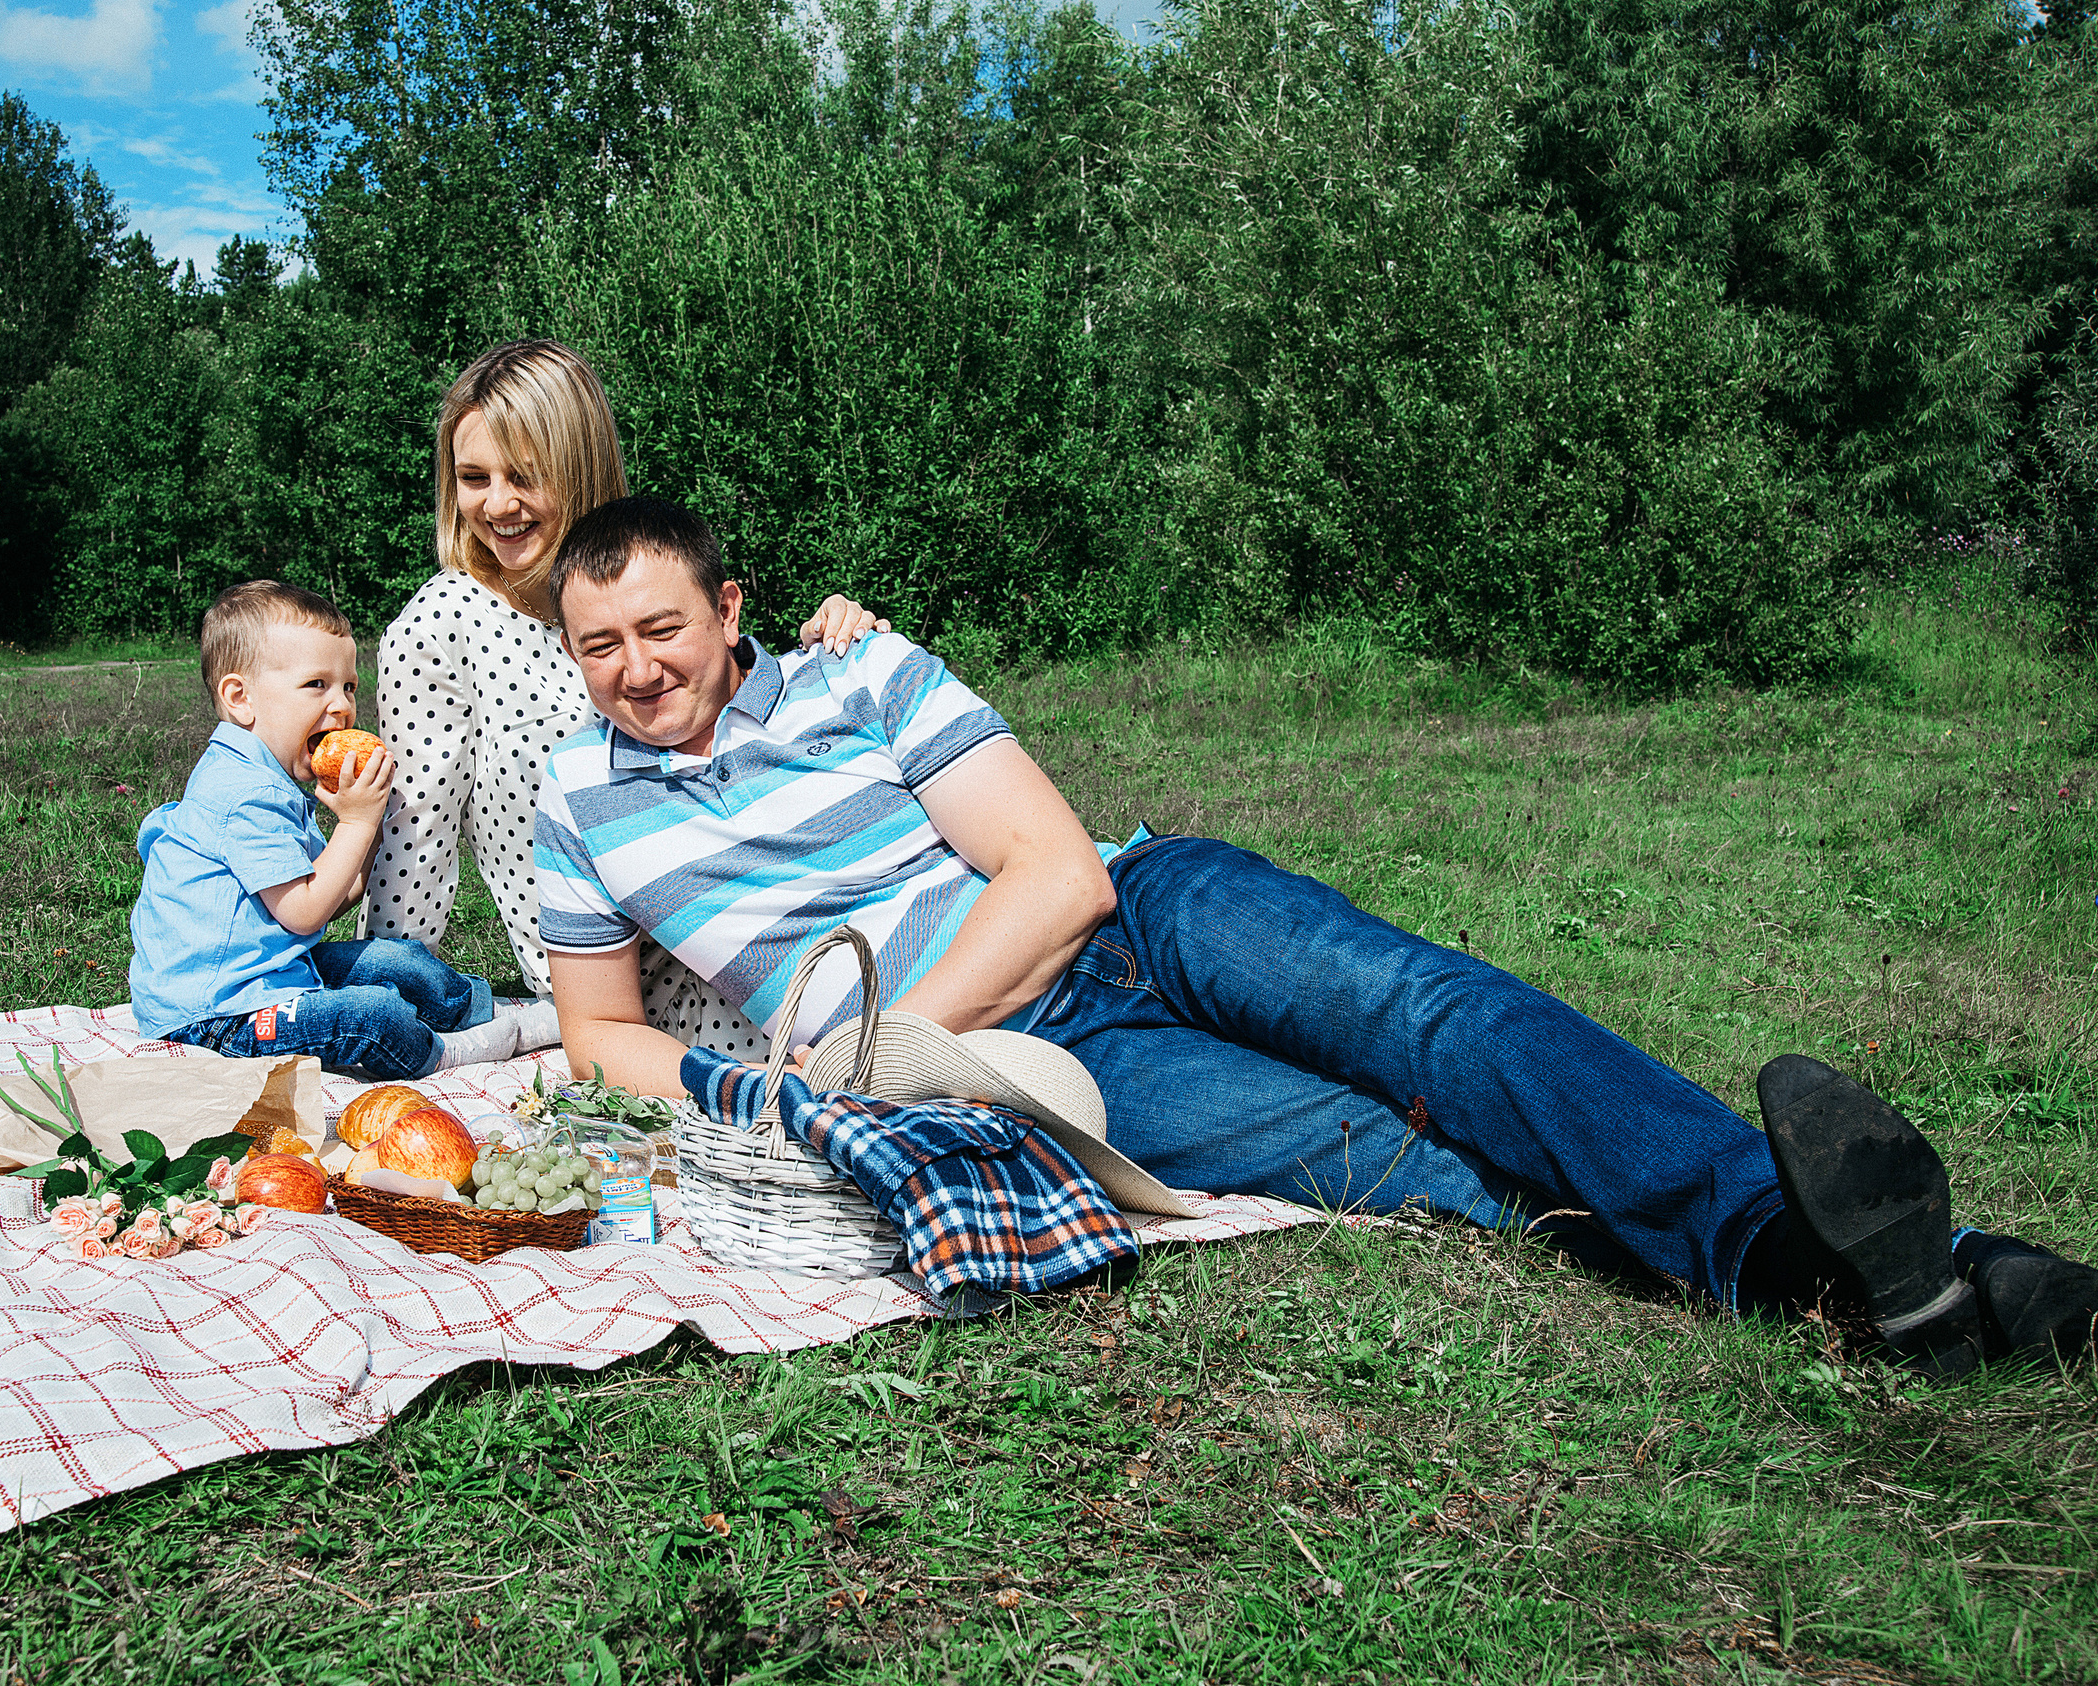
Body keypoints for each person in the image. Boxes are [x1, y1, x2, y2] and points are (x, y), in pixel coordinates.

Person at [532, 495, 2098, 1374]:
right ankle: (1884, 1283)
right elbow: (600, 1031)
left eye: (663, 628)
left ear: (731, 607)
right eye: (599, 646)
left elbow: (1060, 874)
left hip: (1153, 909)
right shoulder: (579, 809)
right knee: (1386, 1158)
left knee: (1442, 1025)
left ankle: (1902, 1261)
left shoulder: (862, 677)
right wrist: (761, 1092)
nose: (636, 670)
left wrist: (882, 1050)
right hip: (1038, 1060)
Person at [358, 340, 885, 1057]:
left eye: (525, 475)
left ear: (579, 467)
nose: (498, 503)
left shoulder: (636, 574)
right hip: (619, 1009)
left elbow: (745, 720)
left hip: (773, 954)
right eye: (473, 478)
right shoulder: (440, 626)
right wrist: (381, 1009)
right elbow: (413, 841)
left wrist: (842, 645)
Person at [129, 580, 544, 1080]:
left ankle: (486, 1011)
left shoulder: (266, 778)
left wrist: (369, 829)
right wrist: (356, 821)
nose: (343, 705)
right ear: (240, 697)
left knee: (396, 961)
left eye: (348, 686)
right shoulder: (240, 794)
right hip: (216, 1016)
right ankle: (444, 1053)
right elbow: (304, 914)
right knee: (370, 1014)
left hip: (269, 975)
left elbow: (332, 895)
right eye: (316, 685)